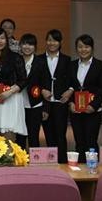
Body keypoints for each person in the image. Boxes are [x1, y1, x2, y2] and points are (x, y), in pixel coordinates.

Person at [0, 27, 28, 141]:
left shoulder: (15, 57)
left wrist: (9, 92)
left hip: (10, 100)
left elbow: (23, 80)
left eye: (2, 38)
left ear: (6, 40)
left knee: (9, 136)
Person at [69, 34, 102, 163]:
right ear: (76, 49)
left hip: (92, 110)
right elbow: (68, 86)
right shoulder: (72, 65)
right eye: (80, 47)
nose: (83, 50)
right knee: (79, 142)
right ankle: (80, 169)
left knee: (91, 141)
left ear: (92, 48)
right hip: (76, 110)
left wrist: (94, 105)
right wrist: (70, 103)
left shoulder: (100, 65)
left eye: (86, 47)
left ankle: (93, 169)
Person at [37, 29, 72, 163]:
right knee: (48, 134)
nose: (52, 43)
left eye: (55, 40)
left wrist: (70, 90)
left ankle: (62, 162)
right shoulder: (39, 59)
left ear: (60, 42)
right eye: (49, 40)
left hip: (60, 101)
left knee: (60, 134)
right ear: (46, 41)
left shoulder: (67, 60)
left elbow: (72, 79)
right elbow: (35, 80)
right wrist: (41, 90)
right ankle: (51, 162)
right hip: (45, 102)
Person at [19, 33, 50, 149]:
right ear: (20, 46)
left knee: (33, 136)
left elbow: (46, 85)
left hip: (36, 104)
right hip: (19, 104)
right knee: (20, 137)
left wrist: (46, 108)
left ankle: (34, 159)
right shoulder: (16, 61)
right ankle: (21, 158)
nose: (27, 47)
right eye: (25, 44)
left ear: (35, 47)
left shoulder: (41, 62)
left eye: (30, 44)